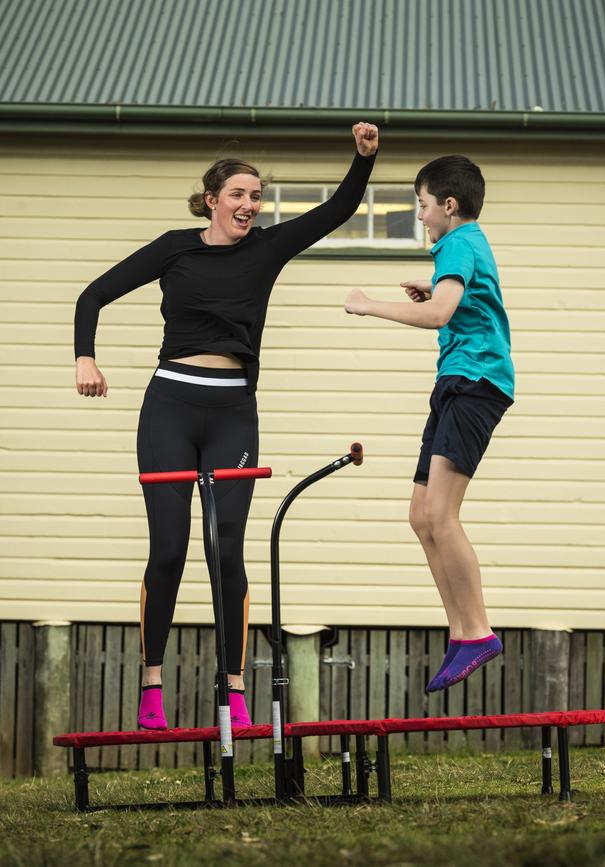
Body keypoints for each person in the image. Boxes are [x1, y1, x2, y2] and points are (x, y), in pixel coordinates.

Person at [75, 123, 379, 729]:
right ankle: (152, 685)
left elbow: (339, 208)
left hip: (234, 412)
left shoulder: (266, 249)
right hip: (170, 405)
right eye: (238, 193)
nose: (249, 204)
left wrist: (364, 158)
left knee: (227, 550)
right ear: (212, 199)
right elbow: (92, 296)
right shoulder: (174, 247)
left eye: (256, 195)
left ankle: (233, 688)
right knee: (168, 549)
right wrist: (85, 356)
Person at [344, 154, 514, 692]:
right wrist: (434, 284)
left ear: (448, 204)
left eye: (421, 204)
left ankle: (479, 631)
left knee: (442, 513)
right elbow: (458, 303)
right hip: (455, 382)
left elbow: (440, 314)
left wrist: (370, 306)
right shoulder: (456, 251)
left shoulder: (462, 242)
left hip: (476, 382)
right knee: (421, 514)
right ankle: (462, 634)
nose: (419, 215)